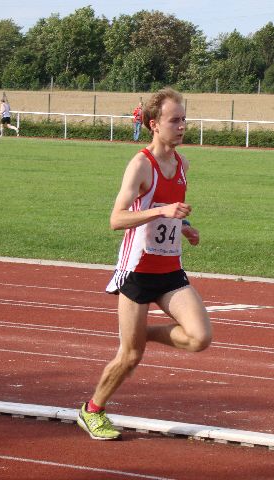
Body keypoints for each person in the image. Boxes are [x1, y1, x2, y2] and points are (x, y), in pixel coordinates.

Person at [77, 87, 212, 441]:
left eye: (184, 120)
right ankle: (92, 409)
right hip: (137, 271)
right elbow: (117, 219)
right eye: (174, 120)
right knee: (130, 356)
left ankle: (144, 334)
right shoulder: (141, 164)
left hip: (170, 271)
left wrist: (185, 226)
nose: (182, 127)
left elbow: (169, 212)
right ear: (154, 124)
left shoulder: (182, 165)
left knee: (200, 337)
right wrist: (162, 210)